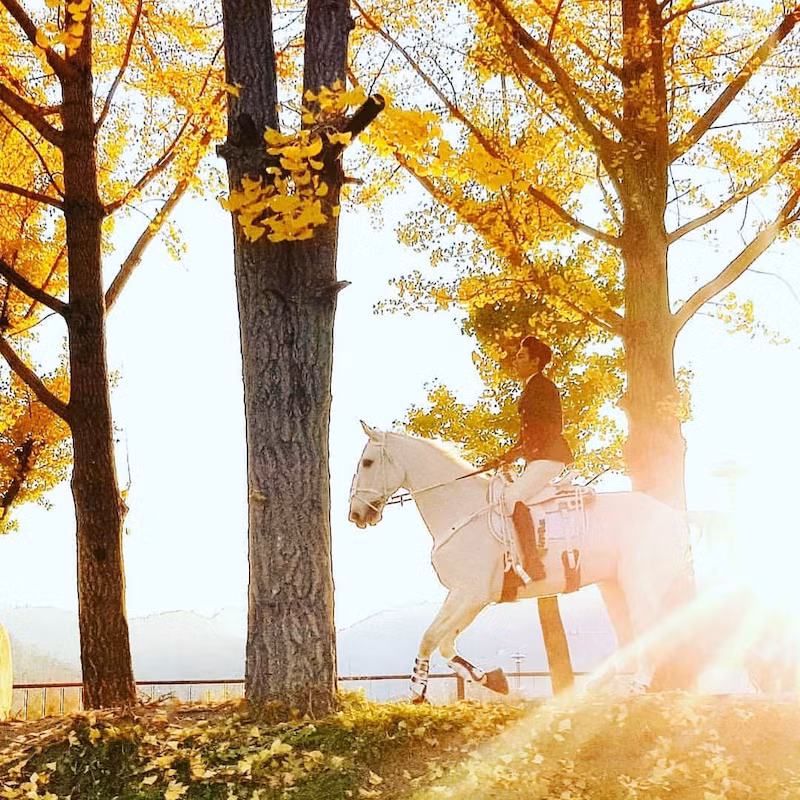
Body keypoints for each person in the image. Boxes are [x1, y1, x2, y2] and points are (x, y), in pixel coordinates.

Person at [488, 335, 573, 583]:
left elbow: (552, 426)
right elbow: (527, 433)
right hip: (538, 456)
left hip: (550, 455)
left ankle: (533, 561)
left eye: (522, 356)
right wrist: (507, 456)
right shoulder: (531, 387)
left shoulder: (544, 387)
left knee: (512, 497)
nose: (516, 360)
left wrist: (523, 449)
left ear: (536, 362)